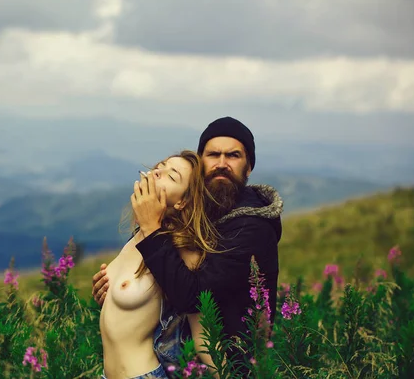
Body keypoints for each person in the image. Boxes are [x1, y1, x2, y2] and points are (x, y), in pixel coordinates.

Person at [93, 117, 283, 373]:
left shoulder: (251, 228)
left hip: (240, 361)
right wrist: (110, 293)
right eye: (213, 154)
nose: (222, 163)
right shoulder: (162, 229)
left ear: (248, 167)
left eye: (234, 155)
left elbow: (194, 299)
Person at [99, 150, 220, 379]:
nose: (157, 173)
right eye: (160, 166)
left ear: (183, 201)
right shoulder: (140, 236)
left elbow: (200, 326)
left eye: (171, 176)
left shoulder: (182, 247)